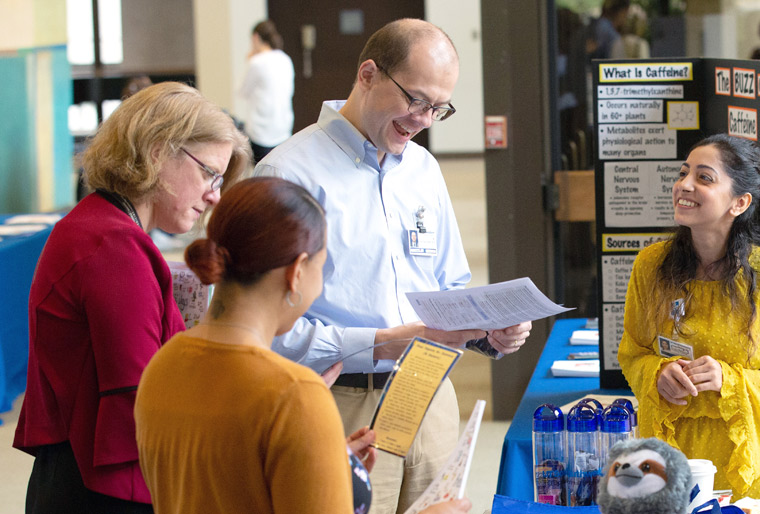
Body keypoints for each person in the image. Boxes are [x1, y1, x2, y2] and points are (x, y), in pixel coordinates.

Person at [256, 19, 532, 514]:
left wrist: (485, 330)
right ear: (367, 74)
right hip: (338, 401)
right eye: (416, 100)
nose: (424, 118)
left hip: (429, 393)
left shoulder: (422, 170)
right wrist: (380, 343)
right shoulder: (288, 174)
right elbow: (265, 332)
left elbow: (449, 286)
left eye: (438, 108)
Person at [134, 177, 470, 514]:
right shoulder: (294, 395)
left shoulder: (163, 365)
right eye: (321, 267)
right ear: (296, 273)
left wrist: (319, 462)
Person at [14, 81, 250, 513]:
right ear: (159, 151)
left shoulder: (98, 225)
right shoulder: (114, 245)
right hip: (105, 487)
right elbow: (147, 395)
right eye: (208, 173)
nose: (214, 194)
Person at [617, 134, 760, 501]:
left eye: (704, 178)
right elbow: (633, 353)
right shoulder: (649, 267)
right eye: (683, 173)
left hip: (752, 468)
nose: (684, 185)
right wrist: (657, 373)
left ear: (740, 202)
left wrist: (728, 380)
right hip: (672, 459)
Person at [239, 20, 295, 162]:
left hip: (260, 132)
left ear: (256, 38)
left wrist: (248, 60)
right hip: (283, 129)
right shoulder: (285, 59)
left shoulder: (256, 62)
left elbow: (243, 92)